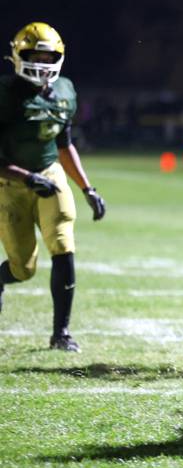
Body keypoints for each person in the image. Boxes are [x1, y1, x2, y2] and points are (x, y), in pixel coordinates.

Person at [0, 22, 106, 351]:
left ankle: (61, 333)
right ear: (17, 55)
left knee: (63, 243)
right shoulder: (5, 95)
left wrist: (88, 188)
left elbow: (64, 144)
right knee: (23, 268)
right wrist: (27, 178)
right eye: (34, 54)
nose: (42, 63)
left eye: (49, 56)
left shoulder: (65, 91)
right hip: (9, 182)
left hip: (49, 172)